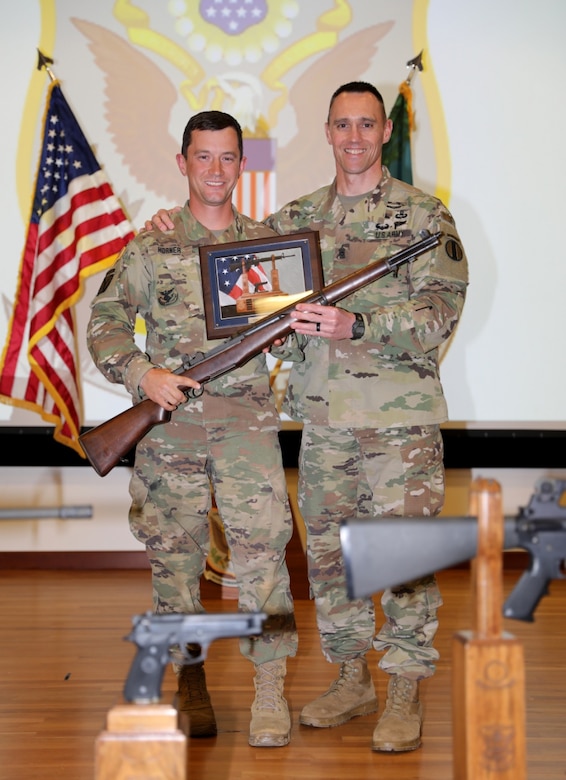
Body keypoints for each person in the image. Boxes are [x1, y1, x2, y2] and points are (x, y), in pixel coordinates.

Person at [148, 81, 469, 753]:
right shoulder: (295, 221)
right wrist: (163, 229)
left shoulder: (424, 217)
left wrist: (360, 323)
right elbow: (234, 280)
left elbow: (440, 314)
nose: (353, 136)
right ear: (326, 132)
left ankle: (404, 688)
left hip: (397, 424)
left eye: (366, 124)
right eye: (341, 124)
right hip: (322, 423)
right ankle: (352, 678)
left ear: (385, 133)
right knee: (328, 562)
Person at [86, 110, 297, 749]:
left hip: (245, 426)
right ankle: (191, 678)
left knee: (263, 557)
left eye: (227, 157)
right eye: (202, 157)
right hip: (168, 431)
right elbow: (106, 323)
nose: (215, 170)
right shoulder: (150, 246)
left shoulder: (268, 247)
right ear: (182, 163)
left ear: (242, 164)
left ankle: (269, 690)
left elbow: (297, 325)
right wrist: (140, 373)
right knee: (174, 563)